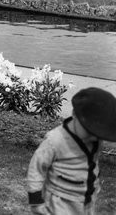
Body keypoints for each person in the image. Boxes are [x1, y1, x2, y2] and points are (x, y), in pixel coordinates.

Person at [27, 87, 116, 215]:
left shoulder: (95, 139)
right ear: (74, 114)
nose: (94, 137)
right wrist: (36, 200)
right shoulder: (55, 140)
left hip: (86, 198)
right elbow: (36, 168)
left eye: (99, 134)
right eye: (90, 131)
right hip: (61, 201)